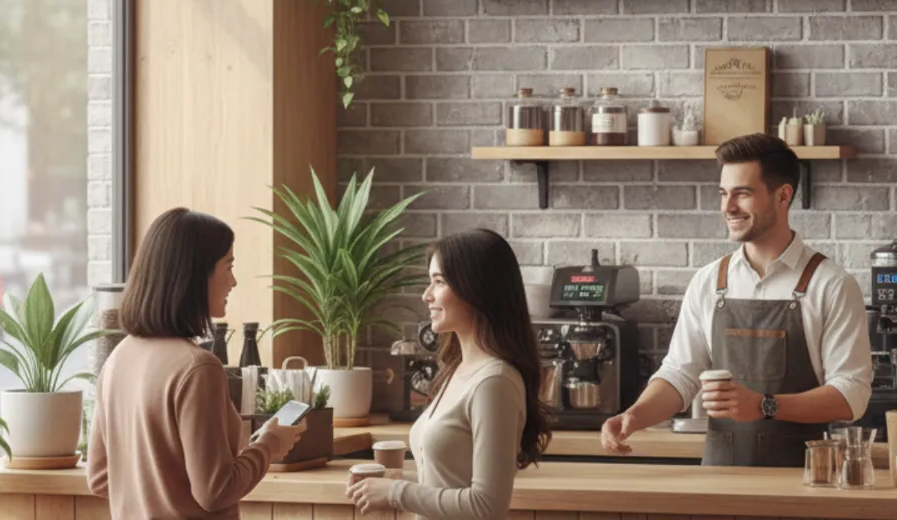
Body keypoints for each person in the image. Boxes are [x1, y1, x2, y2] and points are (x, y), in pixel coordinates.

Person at [601, 133, 872, 467]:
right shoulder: (709, 282)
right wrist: (634, 415)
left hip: (805, 482)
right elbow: (679, 375)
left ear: (783, 195)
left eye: (742, 194)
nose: (728, 207)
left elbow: (851, 395)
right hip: (720, 480)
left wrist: (765, 405)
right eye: (723, 193)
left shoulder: (831, 285)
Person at [88, 208, 307, 518]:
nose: (233, 280)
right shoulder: (198, 368)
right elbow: (215, 492)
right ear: (193, 275)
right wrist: (269, 445)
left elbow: (99, 478)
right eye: (228, 266)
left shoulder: (119, 357)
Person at [347, 228, 550, 519]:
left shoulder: (494, 382)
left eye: (439, 282)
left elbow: (487, 506)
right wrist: (382, 485)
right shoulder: (456, 369)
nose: (426, 295)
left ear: (477, 290)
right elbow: (444, 482)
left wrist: (395, 492)